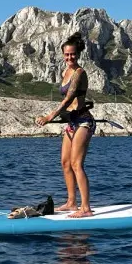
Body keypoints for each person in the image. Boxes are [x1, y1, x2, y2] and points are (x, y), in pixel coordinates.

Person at [36, 32, 96, 218]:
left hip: (84, 122)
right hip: (72, 122)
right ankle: (71, 202)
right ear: (63, 55)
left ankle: (85, 208)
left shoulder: (79, 73)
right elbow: (68, 103)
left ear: (78, 54)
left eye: (73, 54)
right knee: (65, 163)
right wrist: (63, 116)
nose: (70, 57)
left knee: (77, 164)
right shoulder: (65, 72)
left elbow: (70, 96)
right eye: (67, 54)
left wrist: (50, 116)